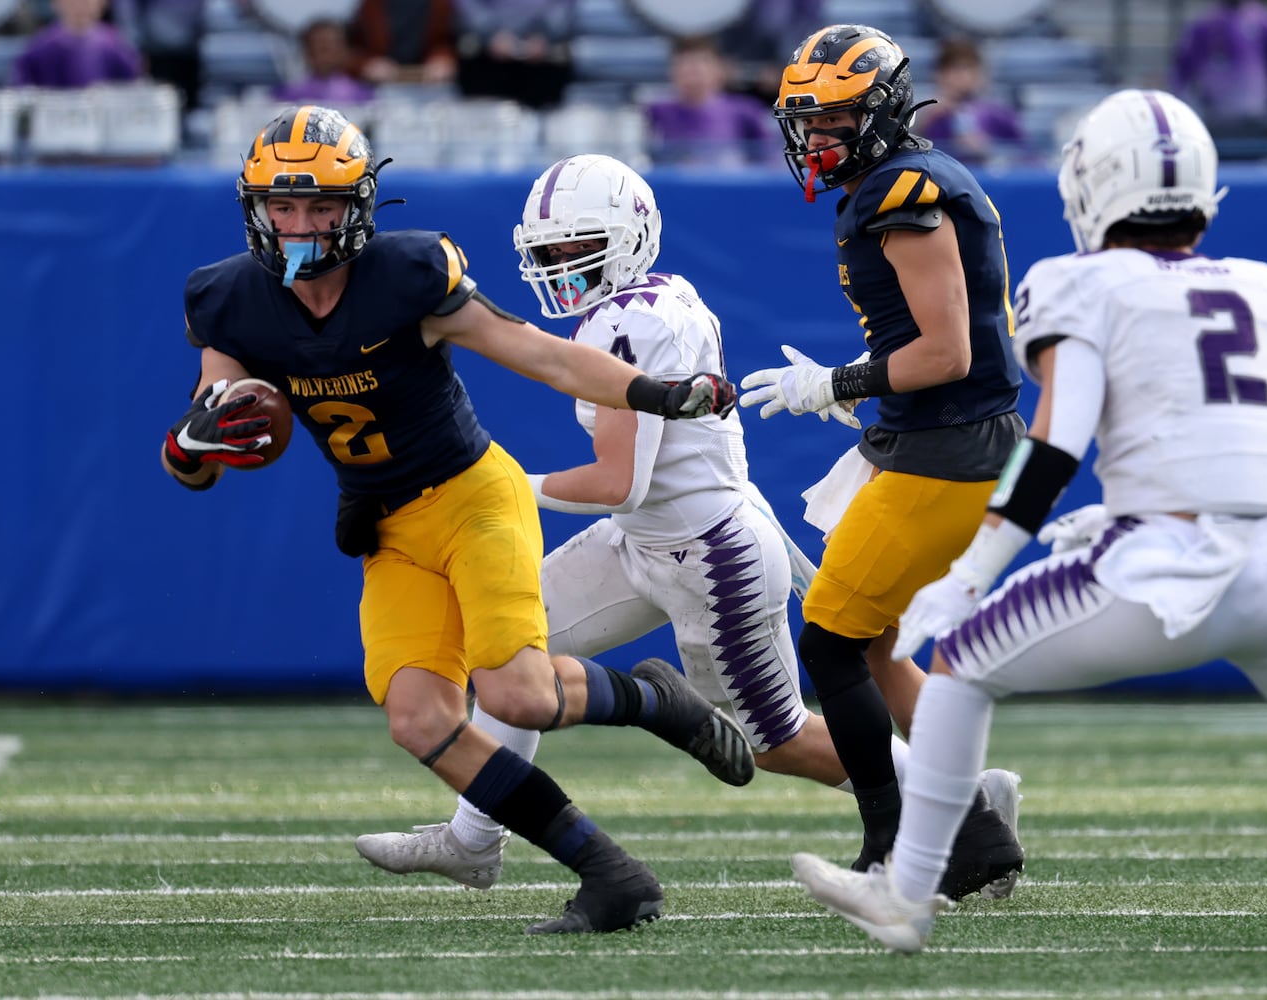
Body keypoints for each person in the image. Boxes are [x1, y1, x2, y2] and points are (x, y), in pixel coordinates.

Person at [353, 153, 1021, 904]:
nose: (561, 266)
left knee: (779, 743)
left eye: (578, 247)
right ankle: (475, 838)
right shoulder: (653, 300)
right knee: (507, 651)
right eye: (550, 252)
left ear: (630, 237)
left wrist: (496, 485)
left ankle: (963, 805)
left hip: (710, 558)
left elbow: (617, 480)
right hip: (645, 538)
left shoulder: (630, 324)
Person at [160, 105, 744, 935]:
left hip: (472, 497)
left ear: (357, 207)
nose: (300, 226)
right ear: (255, 209)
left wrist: (652, 391)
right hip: (388, 529)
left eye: (320, 206)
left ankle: (662, 705)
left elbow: (538, 351)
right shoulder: (227, 303)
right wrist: (189, 445)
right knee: (420, 718)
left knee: (518, 693)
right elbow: (205, 445)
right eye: (283, 207)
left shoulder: (407, 277)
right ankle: (609, 873)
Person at [791, 87, 1267, 954]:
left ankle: (906, 887)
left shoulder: (1078, 285)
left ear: (1093, 185)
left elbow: (1052, 450)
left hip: (1164, 568)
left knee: (960, 664)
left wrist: (974, 574)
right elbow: (1231, 436)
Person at [737, 23, 1026, 891]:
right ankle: (972, 822)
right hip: (936, 434)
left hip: (949, 446)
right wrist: (861, 390)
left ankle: (901, 848)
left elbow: (946, 353)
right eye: (806, 121)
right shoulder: (897, 179)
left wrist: (839, 381)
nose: (815, 139)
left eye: (832, 120)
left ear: (882, 108)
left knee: (828, 641)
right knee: (872, 647)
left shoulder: (903, 189)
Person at [1171, 0, 1267, 159]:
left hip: (1260, 129)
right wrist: (1196, 116)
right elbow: (1180, 76)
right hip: (1213, 129)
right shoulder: (1201, 27)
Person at [644, 36, 777, 168]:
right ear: (673, 71)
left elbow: (768, 159)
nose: (693, 76)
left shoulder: (746, 111)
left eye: (699, 67)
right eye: (685, 67)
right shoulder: (655, 111)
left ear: (719, 70)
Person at [915, 37, 1027, 169]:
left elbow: (1026, 155)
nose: (962, 76)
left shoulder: (997, 115)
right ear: (939, 74)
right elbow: (910, 154)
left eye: (968, 68)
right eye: (954, 69)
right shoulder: (930, 114)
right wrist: (925, 120)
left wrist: (987, 148)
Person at [452, 0, 573, 109]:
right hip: (486, 60)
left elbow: (563, 7)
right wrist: (491, 32)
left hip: (543, 62)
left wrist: (544, 34)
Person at [10, 0, 144, 90]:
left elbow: (132, 87)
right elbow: (21, 91)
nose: (79, 6)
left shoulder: (116, 46)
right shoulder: (39, 49)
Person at [347, 0, 458, 86]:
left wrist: (442, 59)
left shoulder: (440, 5)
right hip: (380, 89)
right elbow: (350, 49)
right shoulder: (369, 6)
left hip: (430, 87)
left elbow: (447, 41)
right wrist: (367, 65)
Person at [273, 18, 376, 107]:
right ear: (308, 52)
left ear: (344, 50)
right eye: (323, 48)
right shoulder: (289, 94)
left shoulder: (362, 95)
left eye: (335, 46)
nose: (329, 55)